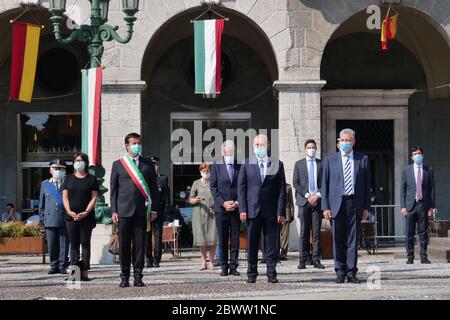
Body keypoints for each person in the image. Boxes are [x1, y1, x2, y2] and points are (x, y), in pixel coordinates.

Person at [321, 128, 371, 284]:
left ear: (354, 142)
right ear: (338, 143)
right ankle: (340, 271)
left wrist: (366, 207)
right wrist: (325, 207)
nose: (345, 143)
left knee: (353, 239)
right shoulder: (330, 160)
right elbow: (325, 184)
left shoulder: (362, 159)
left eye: (348, 140)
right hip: (336, 204)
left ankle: (351, 271)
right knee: (337, 238)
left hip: (354, 203)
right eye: (342, 140)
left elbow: (367, 184)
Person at [110, 133, 158, 288]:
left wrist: (154, 209)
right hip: (123, 211)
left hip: (141, 211)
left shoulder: (147, 164)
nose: (136, 145)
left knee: (140, 246)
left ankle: (138, 276)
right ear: (127, 146)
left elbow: (153, 190)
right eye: (133, 143)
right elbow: (114, 190)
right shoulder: (118, 164)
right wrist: (114, 211)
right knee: (124, 246)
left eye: (138, 143)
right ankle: (124, 276)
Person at [238, 134, 286, 283]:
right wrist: (243, 209)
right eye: (256, 145)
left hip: (271, 211)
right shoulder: (247, 164)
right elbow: (242, 188)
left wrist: (280, 211)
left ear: (268, 146)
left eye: (262, 144)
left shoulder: (277, 164)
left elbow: (281, 190)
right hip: (252, 210)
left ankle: (271, 273)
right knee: (252, 243)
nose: (259, 147)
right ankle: (251, 274)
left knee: (271, 244)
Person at [62, 153, 99, 282]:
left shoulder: (91, 179)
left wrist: (86, 212)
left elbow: (94, 197)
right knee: (74, 245)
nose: (78, 163)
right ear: (73, 163)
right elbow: (65, 197)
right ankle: (74, 274)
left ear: (86, 163)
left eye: (81, 160)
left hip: (86, 217)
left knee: (85, 244)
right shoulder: (68, 178)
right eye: (76, 160)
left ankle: (84, 273)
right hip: (71, 216)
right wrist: (69, 211)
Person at [293, 139, 325, 269]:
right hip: (304, 201)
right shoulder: (299, 164)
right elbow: (296, 183)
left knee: (316, 232)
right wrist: (307, 196)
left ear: (316, 149)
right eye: (309, 147)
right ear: (305, 149)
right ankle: (303, 259)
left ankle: (316, 259)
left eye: (313, 147)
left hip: (317, 202)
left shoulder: (321, 164)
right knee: (304, 232)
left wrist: (317, 195)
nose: (311, 149)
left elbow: (325, 182)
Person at [210, 140, 241, 276]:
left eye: (232, 152)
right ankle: (224, 266)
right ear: (223, 152)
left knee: (235, 238)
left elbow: (243, 186)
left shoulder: (240, 166)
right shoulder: (216, 167)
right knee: (222, 238)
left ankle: (234, 266)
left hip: (236, 208)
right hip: (221, 209)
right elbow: (214, 187)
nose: (229, 154)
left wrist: (237, 202)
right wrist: (223, 203)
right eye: (227, 152)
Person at [400, 146, 435, 264]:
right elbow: (403, 190)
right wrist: (403, 206)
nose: (417, 155)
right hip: (410, 206)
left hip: (423, 205)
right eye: (415, 154)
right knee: (409, 233)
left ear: (423, 155)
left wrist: (431, 207)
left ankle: (424, 256)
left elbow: (432, 190)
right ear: (412, 157)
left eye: (419, 153)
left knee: (423, 232)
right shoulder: (407, 170)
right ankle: (410, 257)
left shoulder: (428, 170)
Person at [39, 159, 69, 274]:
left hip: (64, 218)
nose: (58, 171)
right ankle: (54, 265)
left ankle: (62, 265)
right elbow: (42, 204)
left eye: (60, 169)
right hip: (49, 218)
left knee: (64, 244)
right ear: (50, 170)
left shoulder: (67, 182)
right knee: (52, 245)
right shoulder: (45, 184)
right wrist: (42, 220)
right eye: (55, 168)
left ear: (64, 171)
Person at [189, 163, 217, 270]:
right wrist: (194, 200)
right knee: (202, 239)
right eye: (204, 170)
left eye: (207, 170)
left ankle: (212, 262)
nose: (206, 172)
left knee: (213, 238)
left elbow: (218, 196)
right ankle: (203, 262)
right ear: (200, 171)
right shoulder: (196, 183)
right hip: (199, 213)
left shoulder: (214, 182)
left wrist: (216, 206)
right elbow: (190, 199)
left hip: (212, 213)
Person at [145, 156, 170, 268]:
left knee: (158, 236)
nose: (155, 166)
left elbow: (167, 199)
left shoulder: (162, 179)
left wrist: (165, 212)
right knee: (146, 236)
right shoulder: (144, 179)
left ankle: (156, 259)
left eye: (156, 164)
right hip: (146, 213)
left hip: (158, 212)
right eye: (152, 164)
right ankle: (148, 259)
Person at [279, 183, 294, 261]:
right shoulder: (271, 184)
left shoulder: (288, 186)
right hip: (275, 214)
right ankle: (275, 252)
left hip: (286, 214)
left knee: (285, 236)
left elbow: (291, 202)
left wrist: (292, 214)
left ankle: (283, 254)